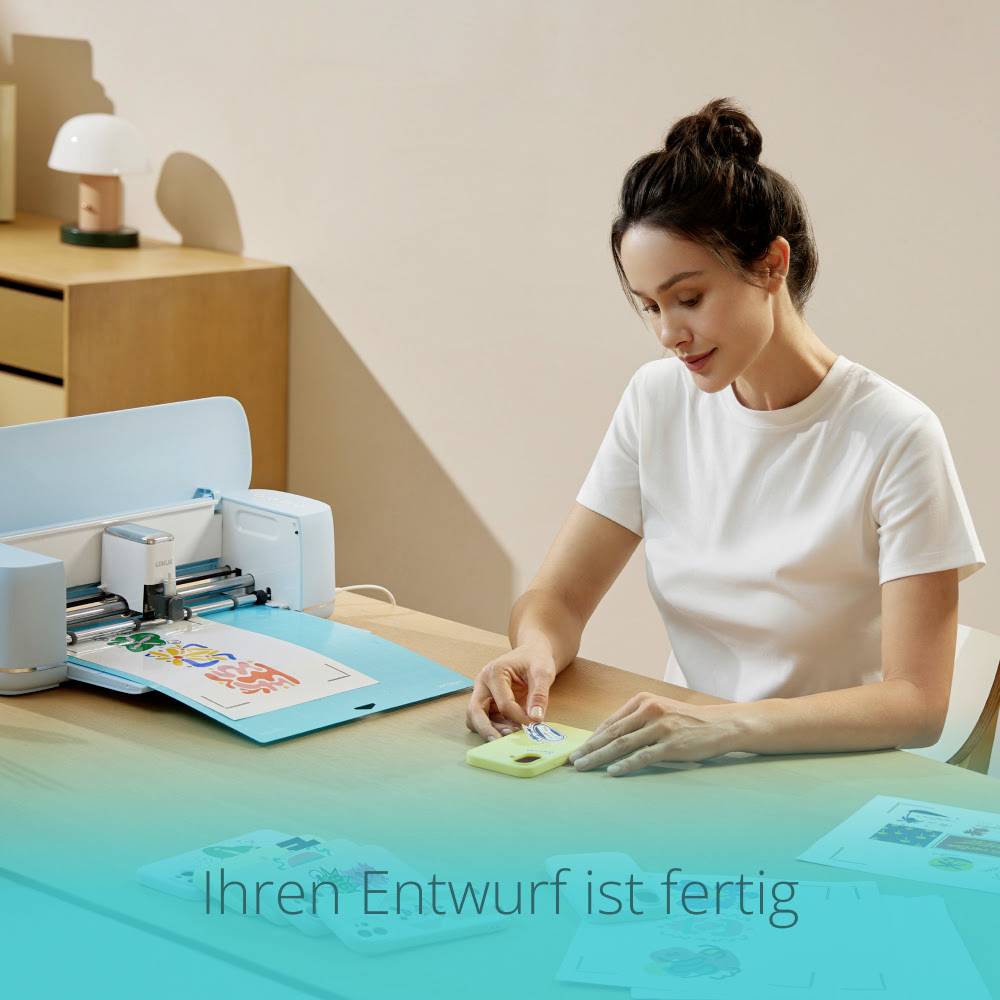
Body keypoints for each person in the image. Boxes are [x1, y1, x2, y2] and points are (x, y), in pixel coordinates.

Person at [464, 97, 986, 775]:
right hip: (684, 756)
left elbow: (918, 702)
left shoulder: (894, 435)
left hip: (827, 775)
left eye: (688, 298)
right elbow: (557, 599)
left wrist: (721, 724)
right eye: (649, 306)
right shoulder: (657, 401)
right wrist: (533, 650)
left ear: (771, 265)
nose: (668, 334)